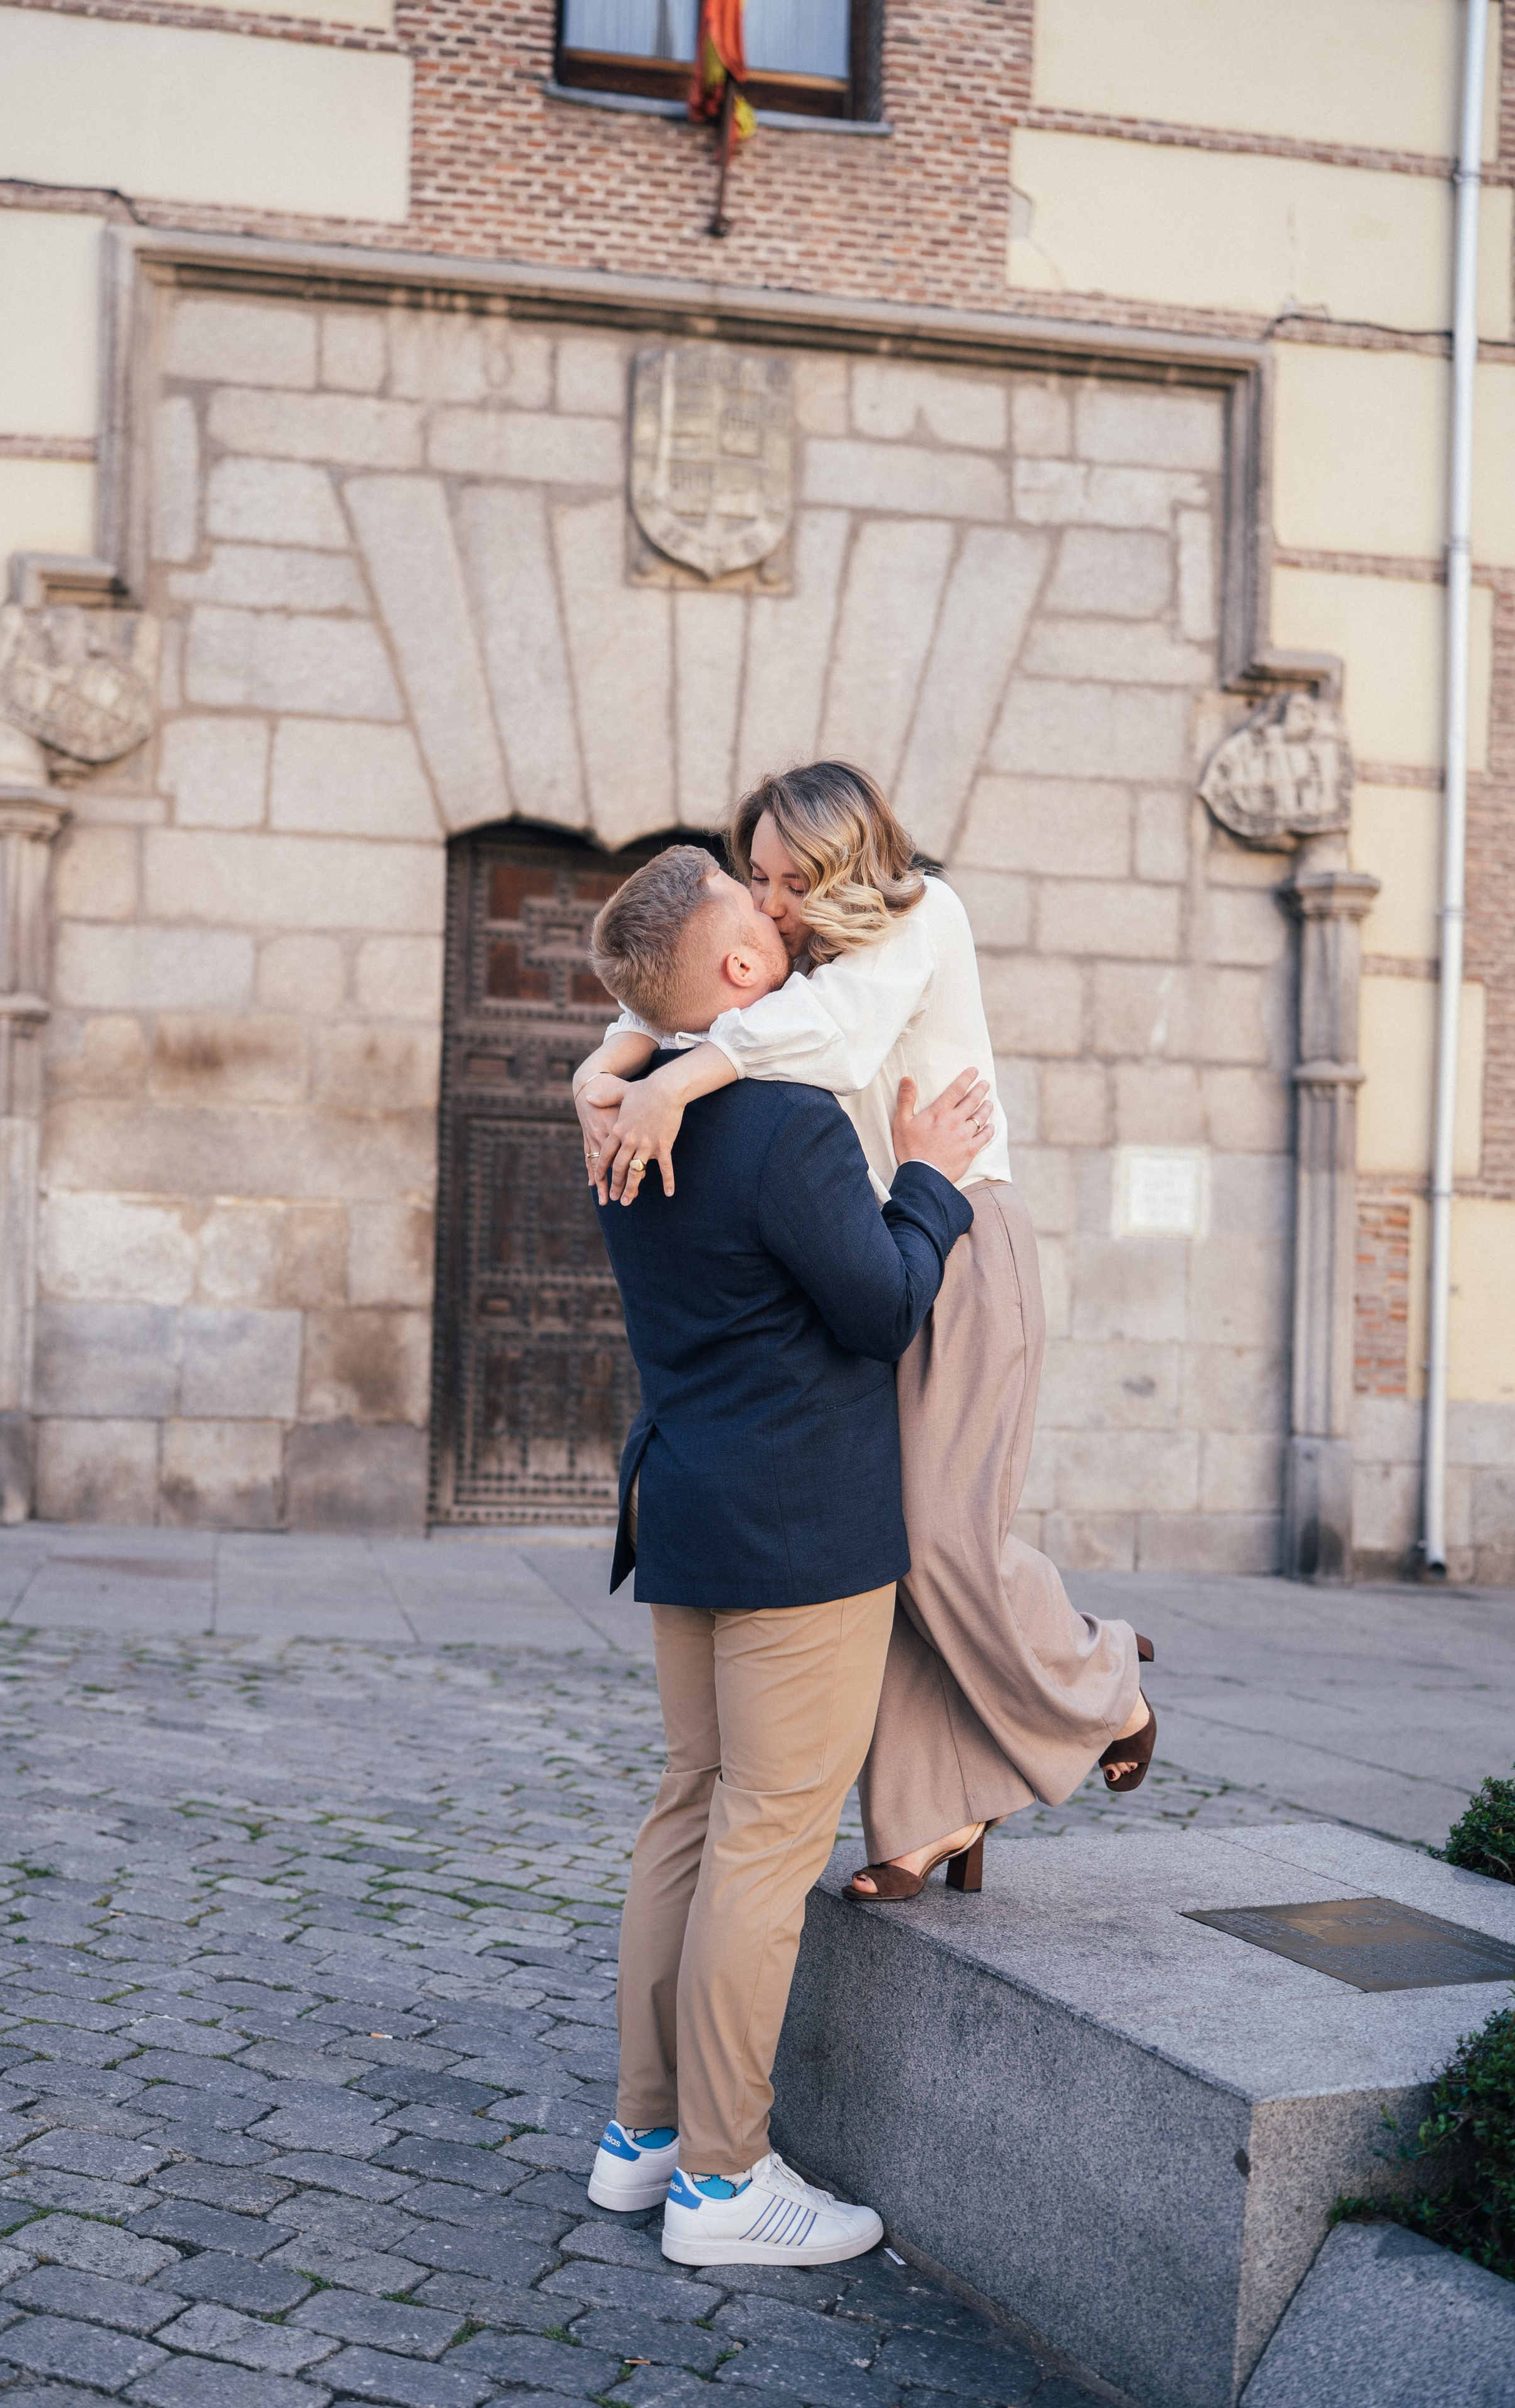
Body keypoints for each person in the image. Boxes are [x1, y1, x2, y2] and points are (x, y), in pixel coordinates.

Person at [572, 763, 1156, 1908]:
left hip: (961, 1237)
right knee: (874, 1550)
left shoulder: (921, 917)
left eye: (793, 877)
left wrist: (672, 1089)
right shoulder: (799, 950)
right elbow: (654, 1000)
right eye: (759, 875)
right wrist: (603, 1072)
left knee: (944, 1534)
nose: (772, 898)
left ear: (847, 863)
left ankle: (1104, 1680)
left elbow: (833, 1045)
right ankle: (934, 1810)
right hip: (873, 1243)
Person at [578, 842, 986, 2267]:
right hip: (797, 1525)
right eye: (760, 909)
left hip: (685, 1505)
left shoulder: (619, 1113)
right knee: (762, 1835)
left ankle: (639, 2138)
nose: (787, 912)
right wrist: (930, 1182)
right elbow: (878, 1307)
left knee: (688, 1812)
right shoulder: (787, 1117)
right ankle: (723, 2182)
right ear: (742, 973)